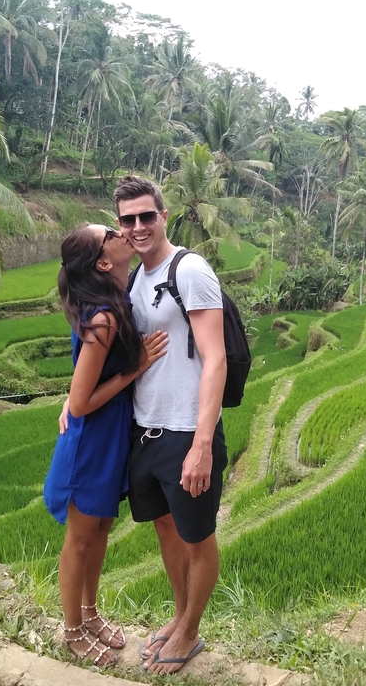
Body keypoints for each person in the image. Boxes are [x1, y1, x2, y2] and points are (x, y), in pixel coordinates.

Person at [114, 175, 229, 675]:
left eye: (146, 216)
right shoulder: (137, 279)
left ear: (164, 216)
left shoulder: (190, 270)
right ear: (120, 226)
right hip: (148, 428)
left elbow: (216, 359)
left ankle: (191, 630)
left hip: (187, 431)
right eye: (128, 219)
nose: (138, 227)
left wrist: (201, 443)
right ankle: (179, 614)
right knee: (165, 527)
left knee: (197, 537)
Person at [44, 223, 168, 669]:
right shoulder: (104, 317)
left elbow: (81, 384)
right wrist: (136, 368)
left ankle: (91, 615)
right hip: (91, 441)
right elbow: (79, 404)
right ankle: (72, 631)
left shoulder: (118, 298)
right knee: (80, 539)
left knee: (98, 533)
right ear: (102, 261)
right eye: (111, 233)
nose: (123, 232)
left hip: (110, 432)